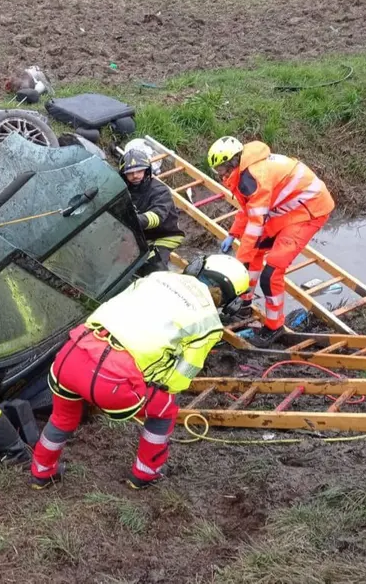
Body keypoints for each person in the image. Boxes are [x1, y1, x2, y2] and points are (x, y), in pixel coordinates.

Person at [29, 254, 249, 490]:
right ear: (230, 300)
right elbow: (179, 378)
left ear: (196, 267)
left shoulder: (157, 278)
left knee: (62, 417)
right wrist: (154, 379)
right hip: (111, 381)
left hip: (72, 353)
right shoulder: (209, 324)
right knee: (164, 410)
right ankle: (146, 473)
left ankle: (42, 472)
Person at [207, 137, 335, 347]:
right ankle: (244, 303)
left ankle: (274, 327)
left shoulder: (254, 178)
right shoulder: (243, 170)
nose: (220, 174)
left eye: (221, 169)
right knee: (254, 252)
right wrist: (233, 232)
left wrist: (239, 264)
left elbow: (256, 224)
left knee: (272, 272)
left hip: (310, 210)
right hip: (287, 207)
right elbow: (249, 210)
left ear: (232, 162)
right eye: (216, 170)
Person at [118, 148, 185, 275]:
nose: (135, 175)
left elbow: (157, 216)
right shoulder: (122, 191)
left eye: (139, 170)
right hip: (141, 237)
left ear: (147, 170)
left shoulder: (159, 190)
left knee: (154, 267)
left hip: (164, 235)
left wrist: (135, 220)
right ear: (123, 175)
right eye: (130, 172)